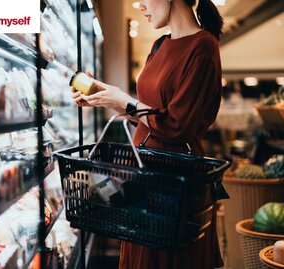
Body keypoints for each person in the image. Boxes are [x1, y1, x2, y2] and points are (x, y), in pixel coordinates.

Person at [71, 0, 224, 268]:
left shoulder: (203, 46)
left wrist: (126, 102)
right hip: (144, 174)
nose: (139, 5)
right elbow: (153, 118)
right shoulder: (159, 45)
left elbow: (178, 126)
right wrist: (107, 98)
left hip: (174, 180)